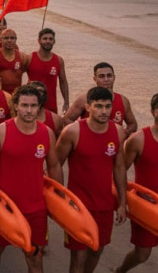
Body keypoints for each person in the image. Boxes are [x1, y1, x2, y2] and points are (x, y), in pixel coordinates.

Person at [0, 84, 63, 273]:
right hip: (4, 207)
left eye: (33, 105)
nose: (29, 110)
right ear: (15, 106)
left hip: (36, 208)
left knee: (35, 258)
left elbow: (55, 166)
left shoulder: (46, 133)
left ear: (39, 107)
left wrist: (60, 200)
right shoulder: (0, 132)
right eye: (24, 105)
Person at [55, 86, 127, 273]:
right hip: (78, 206)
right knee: (78, 257)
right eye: (98, 106)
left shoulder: (118, 132)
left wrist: (121, 202)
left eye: (108, 106)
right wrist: (61, 201)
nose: (104, 111)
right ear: (88, 106)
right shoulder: (72, 132)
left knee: (97, 250)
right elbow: (55, 167)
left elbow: (119, 168)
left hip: (104, 205)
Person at [115, 93, 158, 273]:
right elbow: (120, 171)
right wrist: (122, 203)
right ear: (153, 111)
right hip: (146, 205)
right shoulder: (139, 139)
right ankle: (120, 271)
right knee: (142, 254)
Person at [63, 62, 138, 136]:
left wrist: (123, 134)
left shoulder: (123, 100)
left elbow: (132, 124)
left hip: (112, 145)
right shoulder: (84, 99)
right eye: (101, 76)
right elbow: (67, 119)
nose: (106, 79)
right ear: (94, 79)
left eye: (109, 76)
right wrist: (82, 135)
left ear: (114, 78)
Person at [27, 28, 69, 113]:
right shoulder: (30, 58)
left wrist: (66, 102)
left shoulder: (58, 60)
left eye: (50, 39)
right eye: (45, 38)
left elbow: (63, 82)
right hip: (32, 104)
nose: (48, 41)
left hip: (51, 104)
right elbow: (17, 75)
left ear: (54, 41)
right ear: (39, 41)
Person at [0, 28, 29, 95]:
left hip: (16, 94)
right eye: (6, 38)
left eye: (12, 38)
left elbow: (29, 74)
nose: (9, 41)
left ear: (16, 40)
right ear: (0, 39)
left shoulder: (23, 57)